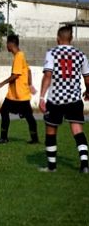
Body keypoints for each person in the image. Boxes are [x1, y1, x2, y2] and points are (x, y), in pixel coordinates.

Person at [39, 26, 89, 173]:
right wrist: (88, 92)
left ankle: (52, 167)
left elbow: (48, 76)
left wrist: (42, 97)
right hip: (74, 99)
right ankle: (85, 164)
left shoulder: (51, 53)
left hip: (56, 99)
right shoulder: (81, 55)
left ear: (57, 38)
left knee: (51, 130)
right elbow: (87, 79)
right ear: (71, 38)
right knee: (77, 130)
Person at [0, 34, 39, 144]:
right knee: (26, 116)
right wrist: (30, 85)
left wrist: (2, 83)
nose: (6, 46)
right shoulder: (21, 55)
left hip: (19, 95)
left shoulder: (18, 56)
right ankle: (34, 138)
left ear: (11, 44)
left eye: (6, 44)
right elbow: (28, 71)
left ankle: (4, 138)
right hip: (16, 94)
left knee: (21, 114)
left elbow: (15, 75)